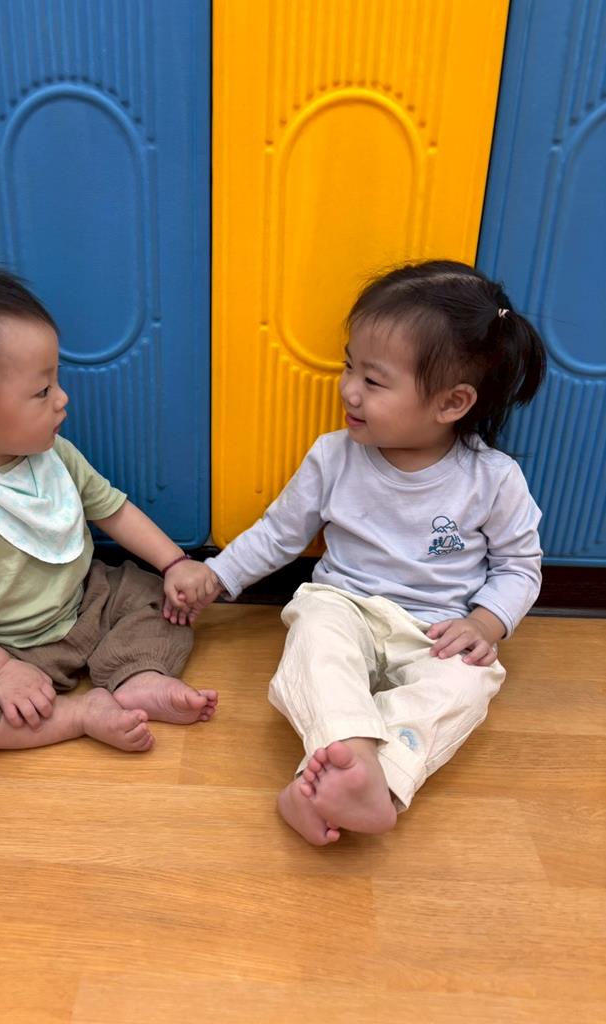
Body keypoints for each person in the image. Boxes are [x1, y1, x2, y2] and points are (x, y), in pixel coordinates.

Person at [168, 259, 546, 845]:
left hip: (436, 629)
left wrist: (483, 624)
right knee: (315, 640)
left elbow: (519, 566)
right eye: (350, 367)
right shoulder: (334, 456)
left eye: (373, 381)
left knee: (469, 684)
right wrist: (215, 576)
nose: (348, 389)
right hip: (345, 605)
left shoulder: (493, 479)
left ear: (451, 403)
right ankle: (350, 754)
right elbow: (279, 533)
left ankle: (361, 782)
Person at [0, 256, 217, 763]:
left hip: (83, 602)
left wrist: (174, 563)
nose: (62, 399)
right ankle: (78, 716)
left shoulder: (54, 455)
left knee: (161, 601)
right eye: (41, 391)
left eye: (56, 380)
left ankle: (137, 677)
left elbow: (113, 511)